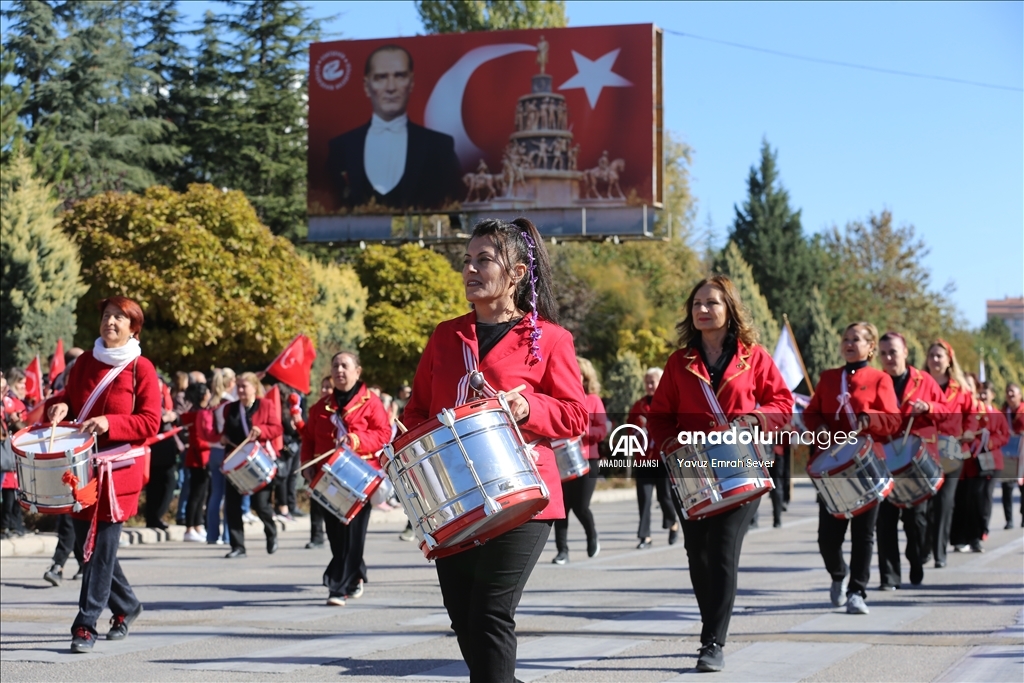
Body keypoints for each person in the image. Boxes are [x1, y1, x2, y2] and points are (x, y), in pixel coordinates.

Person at [402, 217, 588, 682]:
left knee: (489, 612)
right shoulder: (446, 336)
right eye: (466, 260)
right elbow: (417, 411)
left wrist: (527, 406)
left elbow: (575, 415)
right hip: (454, 501)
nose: (469, 269)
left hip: (524, 496)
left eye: (483, 259)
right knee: (463, 618)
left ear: (517, 273)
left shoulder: (550, 339)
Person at [647, 275, 793, 673]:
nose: (702, 309)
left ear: (729, 309)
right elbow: (659, 417)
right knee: (699, 555)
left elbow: (782, 402)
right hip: (692, 469)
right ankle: (712, 626)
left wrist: (756, 417)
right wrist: (669, 444)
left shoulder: (754, 357)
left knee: (724, 548)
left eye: (711, 302)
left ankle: (712, 641)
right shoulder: (680, 363)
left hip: (741, 465)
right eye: (696, 303)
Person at [45, 296, 162, 653]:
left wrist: (111, 422)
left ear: (133, 327)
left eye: (119, 318)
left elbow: (150, 421)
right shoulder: (84, 361)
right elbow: (69, 400)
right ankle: (126, 606)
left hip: (118, 471)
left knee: (100, 546)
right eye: (107, 316)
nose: (110, 322)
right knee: (87, 547)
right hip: (81, 470)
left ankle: (85, 624)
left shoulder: (142, 369)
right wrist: (58, 405)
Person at [804, 322, 901, 616]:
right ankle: (838, 573)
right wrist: (818, 425)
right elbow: (811, 412)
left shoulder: (880, 379)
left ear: (870, 347)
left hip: (867, 463)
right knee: (827, 538)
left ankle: (857, 591)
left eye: (856, 339)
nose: (849, 343)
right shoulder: (828, 378)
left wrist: (869, 418)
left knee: (864, 534)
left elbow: (893, 421)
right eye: (845, 338)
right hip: (833, 466)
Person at [301, 351, 392, 606]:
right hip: (327, 479)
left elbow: (384, 434)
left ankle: (338, 586)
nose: (339, 370)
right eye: (335, 366)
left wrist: (356, 440)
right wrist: (306, 465)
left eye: (345, 365)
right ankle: (355, 574)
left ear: (357, 372)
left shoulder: (371, 403)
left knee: (353, 533)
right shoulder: (321, 406)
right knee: (336, 534)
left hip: (359, 477)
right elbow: (308, 438)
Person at [326, 44, 462, 211]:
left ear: (411, 82)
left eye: (399, 76)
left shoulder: (440, 147)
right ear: (366, 86)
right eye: (381, 77)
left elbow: (454, 204)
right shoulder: (340, 148)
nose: (391, 87)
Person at [875, 332, 947, 589]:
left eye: (893, 351)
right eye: (883, 353)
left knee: (917, 521)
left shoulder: (923, 380)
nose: (888, 357)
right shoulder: (876, 381)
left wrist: (929, 407)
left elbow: (947, 412)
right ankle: (889, 577)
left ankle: (916, 559)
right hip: (884, 460)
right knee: (884, 522)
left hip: (916, 461)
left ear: (905, 351)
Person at [551, 357, 607, 565]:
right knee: (562, 508)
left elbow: (602, 430)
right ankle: (562, 551)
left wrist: (585, 432)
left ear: (584, 377)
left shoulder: (593, 400)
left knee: (581, 506)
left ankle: (592, 536)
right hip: (562, 459)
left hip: (588, 459)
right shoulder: (560, 400)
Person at [221, 372, 282, 558]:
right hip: (237, 462)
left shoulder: (266, 405)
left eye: (244, 386)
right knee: (232, 505)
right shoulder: (230, 408)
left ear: (254, 387)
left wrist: (261, 430)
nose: (240, 390)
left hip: (259, 461)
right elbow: (226, 432)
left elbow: (277, 428)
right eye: (238, 386)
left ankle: (271, 532)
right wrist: (223, 438)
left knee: (261, 504)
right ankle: (237, 546)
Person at [924, 340, 974, 567]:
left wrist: (970, 431)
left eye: (939, 356)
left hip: (953, 446)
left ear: (948, 359)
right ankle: (923, 547)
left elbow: (971, 414)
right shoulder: (920, 384)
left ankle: (939, 552)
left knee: (945, 502)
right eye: (932, 355)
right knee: (925, 502)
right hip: (925, 448)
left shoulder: (961, 388)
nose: (935, 360)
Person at [951, 380, 1008, 553]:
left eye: (985, 393)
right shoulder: (968, 410)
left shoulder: (995, 414)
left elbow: (1004, 435)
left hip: (986, 463)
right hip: (965, 460)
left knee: (981, 499)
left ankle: (978, 534)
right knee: (962, 501)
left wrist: (988, 442)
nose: (982, 396)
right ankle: (960, 538)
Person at [628, 367, 679, 549]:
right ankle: (645, 536)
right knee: (644, 498)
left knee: (664, 496)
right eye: (647, 382)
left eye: (653, 382)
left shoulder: (667, 404)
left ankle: (673, 523)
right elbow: (628, 429)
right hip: (644, 459)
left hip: (663, 458)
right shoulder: (639, 406)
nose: (650, 385)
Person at [180, 382, 216, 542]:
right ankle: (189, 527)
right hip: (198, 457)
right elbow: (197, 439)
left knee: (202, 494)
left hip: (201, 456)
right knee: (195, 494)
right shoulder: (198, 414)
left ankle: (197, 525)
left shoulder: (198, 412)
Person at [205, 368, 235, 545]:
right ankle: (228, 535)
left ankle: (212, 535)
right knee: (229, 495)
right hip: (226, 451)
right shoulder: (229, 402)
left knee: (215, 494)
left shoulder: (212, 401)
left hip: (212, 450)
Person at [307, 375, 334, 550]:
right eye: (323, 387)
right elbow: (308, 436)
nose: (324, 390)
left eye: (328, 387)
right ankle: (316, 536)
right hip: (319, 463)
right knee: (315, 502)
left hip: (336, 464)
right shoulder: (316, 408)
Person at [1, 370, 27, 538]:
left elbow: (22, 426)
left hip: (8, 457)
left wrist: (14, 420)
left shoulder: (11, 404)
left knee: (13, 497)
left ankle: (13, 525)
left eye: (4, 389)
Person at [1000, 383, 1023, 529]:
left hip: (1023, 453)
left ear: (1020, 395)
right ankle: (1009, 520)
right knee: (1007, 488)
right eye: (1008, 392)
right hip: (1008, 453)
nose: (1010, 395)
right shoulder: (1003, 412)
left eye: (1013, 392)